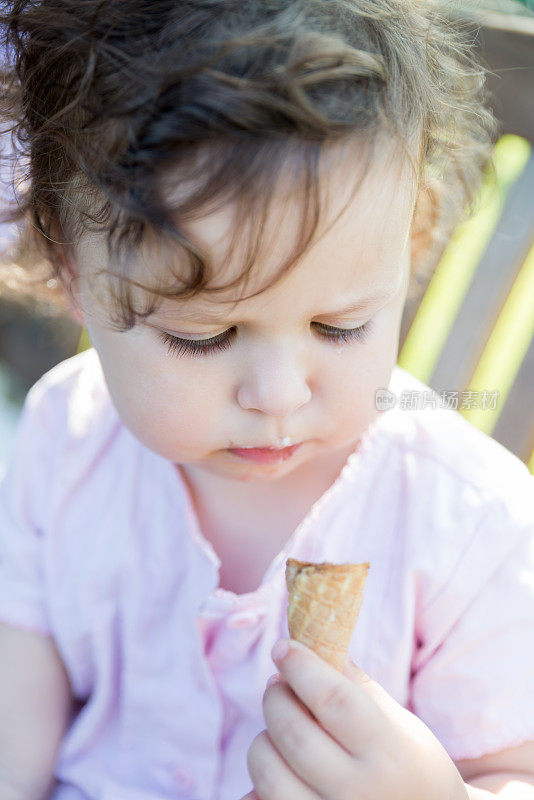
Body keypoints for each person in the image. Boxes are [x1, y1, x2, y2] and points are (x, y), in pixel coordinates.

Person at [0, 1, 533, 799]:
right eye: (204, 337)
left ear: (412, 240)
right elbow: (22, 667)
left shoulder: (468, 524)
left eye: (340, 325)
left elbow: (513, 768)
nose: (279, 396)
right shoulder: (64, 436)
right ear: (76, 274)